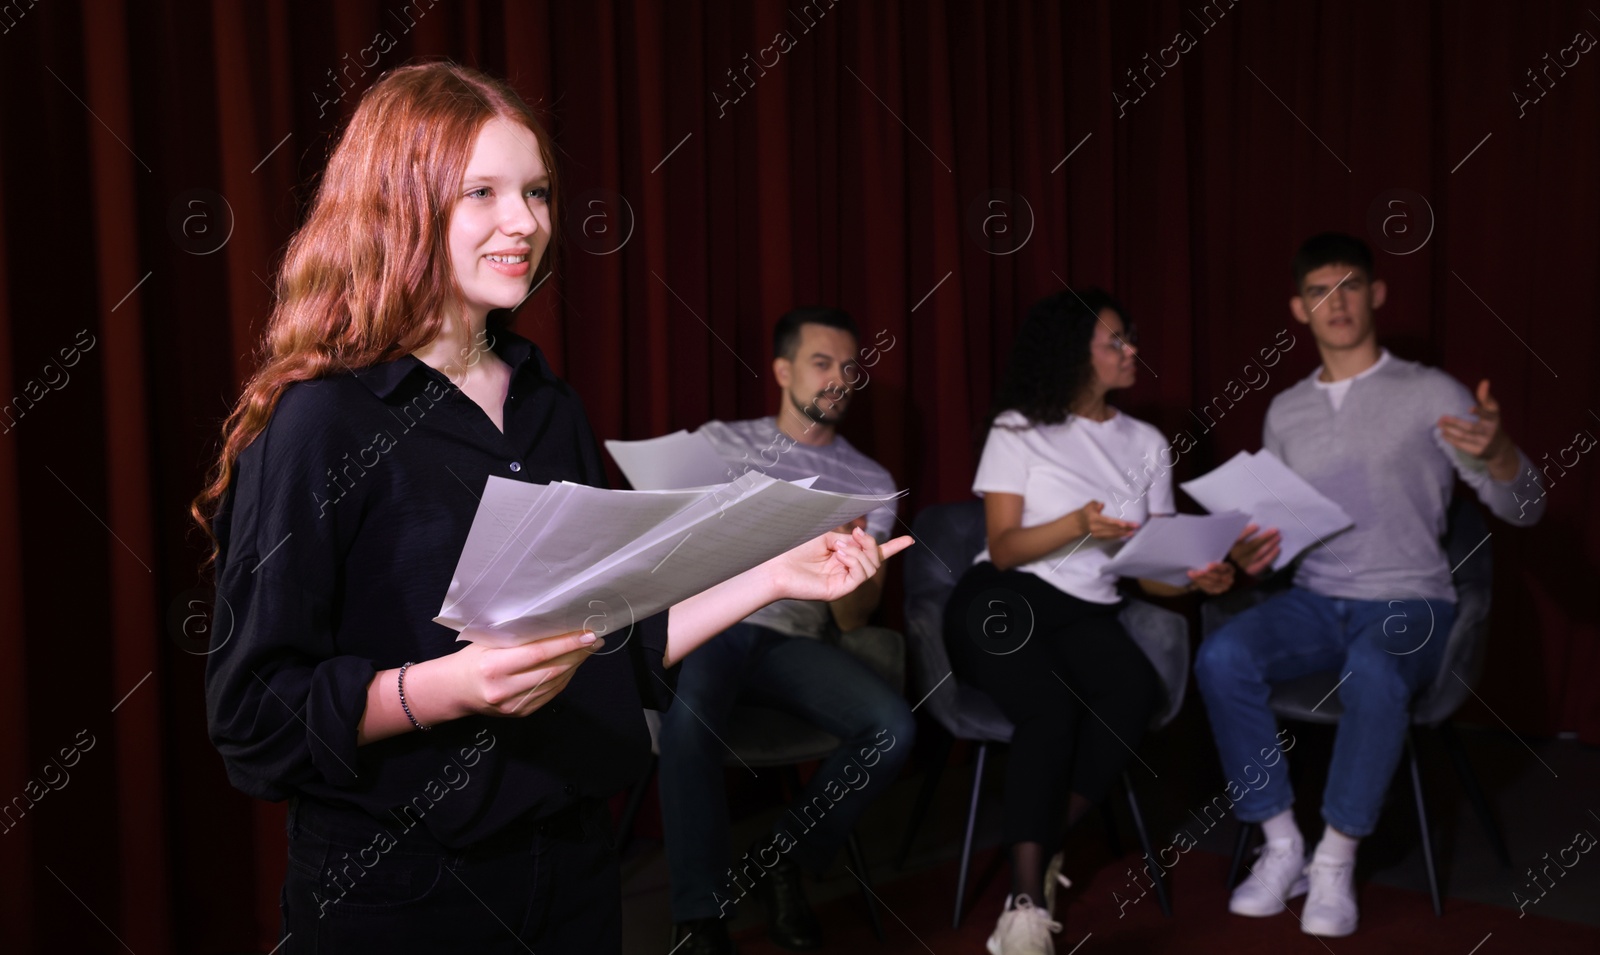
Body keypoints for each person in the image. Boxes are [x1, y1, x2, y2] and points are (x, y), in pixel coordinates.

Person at [193, 62, 910, 955]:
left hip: (571, 870)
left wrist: (776, 570)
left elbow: (619, 634)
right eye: (482, 192)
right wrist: (444, 688)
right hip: (402, 893)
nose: (525, 221)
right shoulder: (322, 420)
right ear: (398, 204)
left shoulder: (546, 404)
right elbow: (255, 716)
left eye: (535, 191)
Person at [1194, 232, 1547, 938]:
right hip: (1316, 597)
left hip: (1410, 598)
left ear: (1376, 294)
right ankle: (1281, 841)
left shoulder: (1430, 391)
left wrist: (1503, 453)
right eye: (1320, 290)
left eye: (1350, 285)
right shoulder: (1286, 412)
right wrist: (1255, 551)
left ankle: (1335, 857)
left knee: (1374, 670)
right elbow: (1281, 531)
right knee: (1221, 656)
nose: (1337, 301)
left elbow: (1527, 508)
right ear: (1299, 309)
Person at [941, 289, 1276, 955]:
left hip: (1089, 608)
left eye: (1130, 338)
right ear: (1076, 353)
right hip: (1004, 597)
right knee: (1050, 710)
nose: (1131, 351)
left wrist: (1198, 576)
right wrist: (1076, 525)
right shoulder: (1018, 429)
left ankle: (1043, 841)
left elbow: (1146, 564)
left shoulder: (1147, 441)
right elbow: (1005, 545)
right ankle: (1027, 903)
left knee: (1134, 693)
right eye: (1115, 340)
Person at [659, 307, 916, 954]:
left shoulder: (872, 482)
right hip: (713, 626)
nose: (838, 378)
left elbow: (854, 617)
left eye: (849, 367)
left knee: (893, 727)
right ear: (782, 370)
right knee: (689, 718)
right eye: (821, 363)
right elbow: (663, 553)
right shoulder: (720, 442)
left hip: (795, 640)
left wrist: (860, 560)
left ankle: (785, 857)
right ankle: (701, 914)